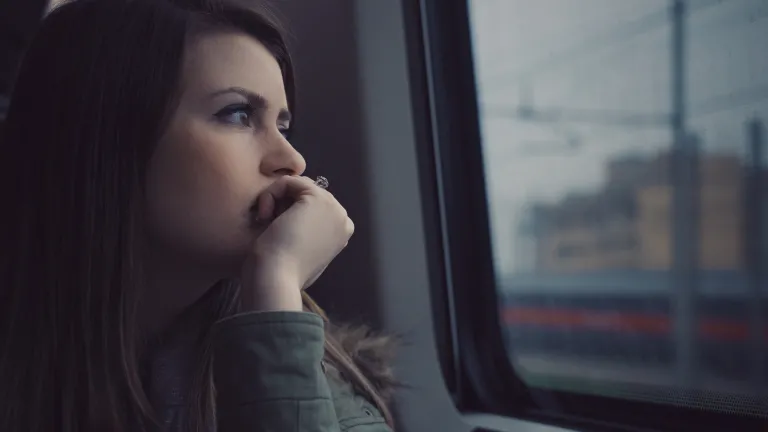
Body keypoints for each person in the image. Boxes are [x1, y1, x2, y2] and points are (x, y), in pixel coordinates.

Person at [0, 0, 399, 430]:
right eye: (238, 114)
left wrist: (275, 290)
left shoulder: (322, 377)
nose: (292, 161)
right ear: (106, 140)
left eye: (282, 126)